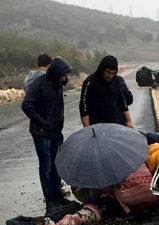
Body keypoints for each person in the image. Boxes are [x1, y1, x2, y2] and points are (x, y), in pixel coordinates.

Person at [21, 57, 72, 209]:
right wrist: (43, 123)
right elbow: (27, 105)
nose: (66, 78)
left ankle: (58, 196)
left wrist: (58, 129)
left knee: (56, 165)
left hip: (54, 132)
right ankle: (50, 201)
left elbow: (58, 109)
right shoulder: (38, 84)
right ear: (57, 73)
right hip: (41, 133)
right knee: (46, 166)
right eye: (64, 75)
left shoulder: (57, 85)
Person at [79, 55, 134, 127]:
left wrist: (129, 121)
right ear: (102, 69)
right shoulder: (90, 82)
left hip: (117, 124)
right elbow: (84, 107)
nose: (110, 76)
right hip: (98, 125)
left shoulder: (116, 80)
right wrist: (87, 129)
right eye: (108, 72)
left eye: (113, 73)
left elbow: (122, 102)